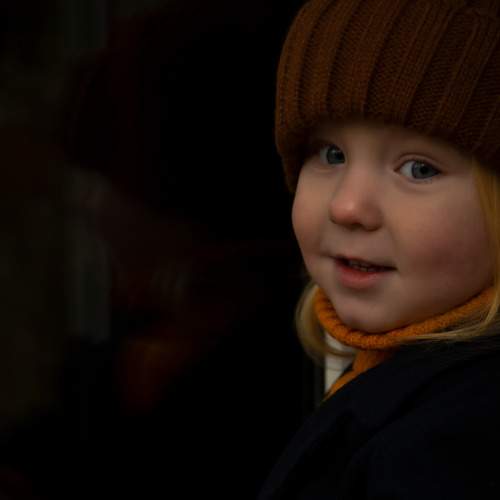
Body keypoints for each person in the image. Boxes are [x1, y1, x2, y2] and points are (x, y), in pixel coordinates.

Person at [258, 0, 500, 499]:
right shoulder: (391, 382)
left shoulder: (452, 445)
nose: (348, 207)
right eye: (331, 154)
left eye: (419, 169)